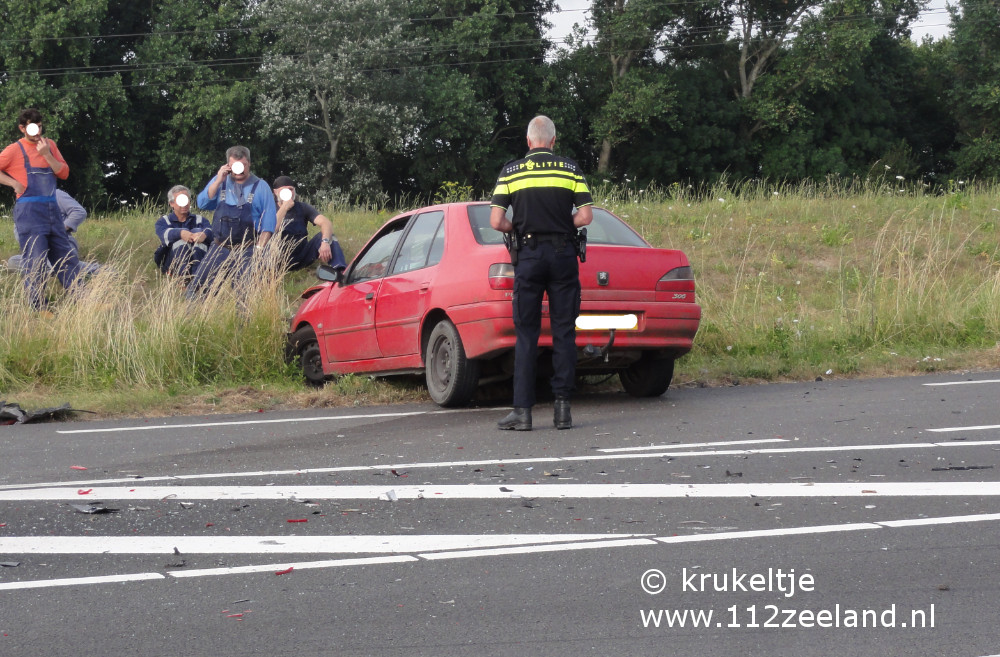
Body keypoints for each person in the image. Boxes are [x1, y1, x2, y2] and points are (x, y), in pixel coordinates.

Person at [489, 115, 594, 431]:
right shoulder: (570, 169)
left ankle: (523, 412)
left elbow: (496, 220)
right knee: (564, 331)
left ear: (528, 141)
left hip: (529, 255)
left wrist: (519, 228)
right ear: (553, 141)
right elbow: (585, 215)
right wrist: (562, 225)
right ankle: (563, 410)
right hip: (563, 255)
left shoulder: (511, 171)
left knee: (527, 333)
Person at [0, 108, 86, 309]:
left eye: (39, 126)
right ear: (22, 128)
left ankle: (83, 300)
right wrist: (13, 184)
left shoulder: (50, 146)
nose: (37, 131)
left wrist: (47, 154)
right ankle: (38, 306)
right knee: (35, 260)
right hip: (29, 212)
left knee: (66, 256)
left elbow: (63, 173)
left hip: (52, 209)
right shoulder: (14, 150)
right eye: (32, 127)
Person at [185, 145, 276, 297]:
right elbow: (202, 204)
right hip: (220, 246)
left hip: (247, 249)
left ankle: (244, 321)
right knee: (198, 288)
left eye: (243, 166)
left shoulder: (261, 187)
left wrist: (259, 251)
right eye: (234, 166)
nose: (239, 171)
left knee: (244, 295)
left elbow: (268, 223)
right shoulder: (220, 182)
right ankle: (193, 318)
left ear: (249, 164)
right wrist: (218, 180)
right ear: (228, 165)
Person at [6, 188, 100, 277]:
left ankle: (101, 271)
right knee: (12, 262)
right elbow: (18, 229)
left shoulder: (55, 194)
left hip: (61, 244)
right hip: (38, 251)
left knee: (54, 262)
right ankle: (58, 271)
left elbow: (79, 212)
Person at [272, 175, 346, 271]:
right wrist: (284, 207)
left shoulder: (302, 207)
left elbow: (325, 222)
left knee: (328, 236)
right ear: (276, 192)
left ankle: (340, 269)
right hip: (278, 258)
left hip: (302, 255)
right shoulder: (270, 208)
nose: (288, 193)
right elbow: (271, 229)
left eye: (290, 189)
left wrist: (325, 242)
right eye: (284, 191)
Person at [153, 184, 213, 279]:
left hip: (199, 258)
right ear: (171, 203)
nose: (185, 204)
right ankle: (183, 280)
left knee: (198, 235)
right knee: (181, 242)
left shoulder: (201, 220)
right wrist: (181, 233)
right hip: (172, 261)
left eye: (187, 200)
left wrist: (204, 235)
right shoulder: (163, 221)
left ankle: (198, 279)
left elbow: (211, 232)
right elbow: (164, 235)